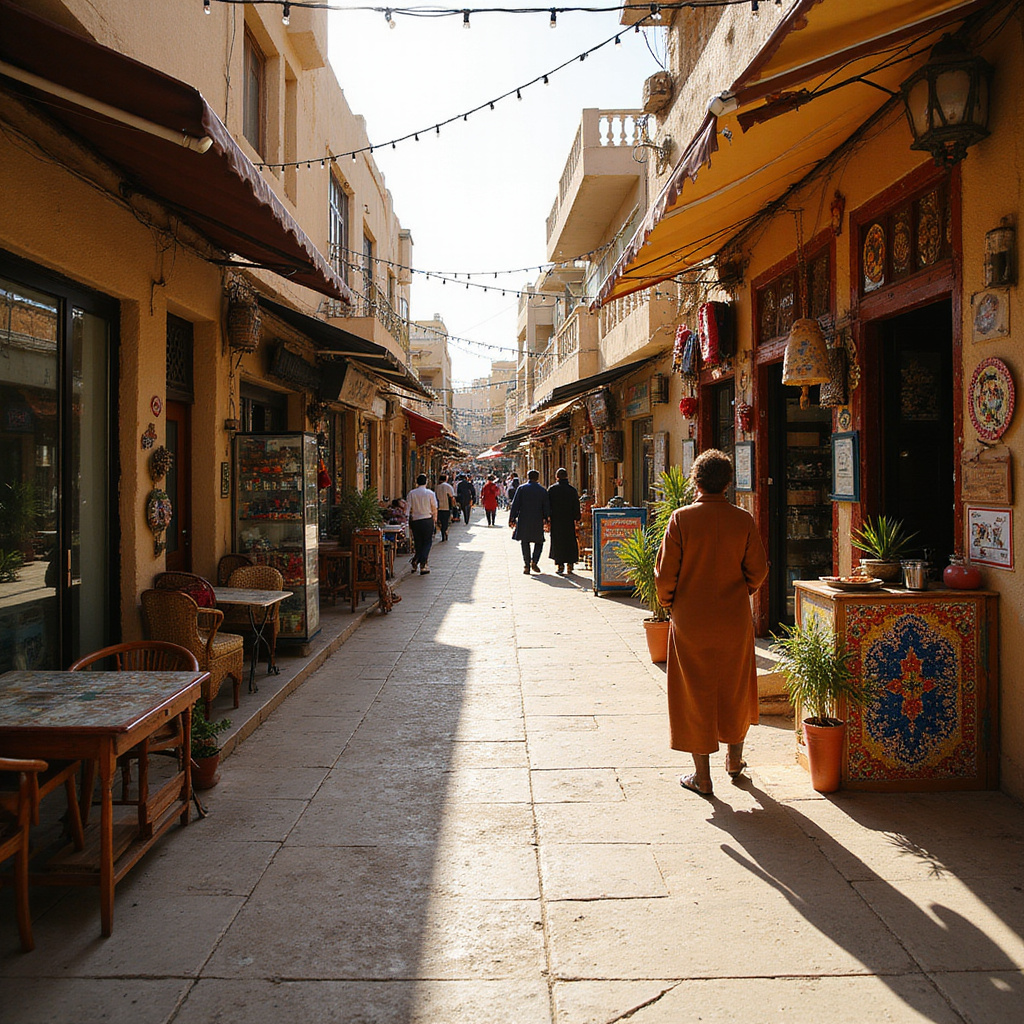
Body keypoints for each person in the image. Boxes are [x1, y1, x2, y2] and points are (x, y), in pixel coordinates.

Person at [654, 449, 769, 797]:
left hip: (691, 619)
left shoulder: (681, 519)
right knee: (735, 686)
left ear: (695, 481)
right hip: (733, 618)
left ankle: (701, 776)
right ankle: (735, 761)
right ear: (729, 483)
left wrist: (672, 604)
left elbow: (664, 578)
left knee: (694, 691)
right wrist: (739, 592)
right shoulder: (743, 520)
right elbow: (759, 571)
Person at [509, 468, 550, 574]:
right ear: (538, 478)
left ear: (528, 477)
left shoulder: (522, 489)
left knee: (525, 541)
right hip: (537, 519)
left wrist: (512, 518)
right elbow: (546, 506)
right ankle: (534, 561)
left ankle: (526, 565)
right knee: (539, 541)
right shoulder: (542, 490)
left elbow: (515, 504)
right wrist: (546, 518)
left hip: (524, 519)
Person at [547, 467, 581, 574]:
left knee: (558, 541)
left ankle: (560, 565)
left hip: (556, 520)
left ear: (557, 477)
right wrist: (577, 518)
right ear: (567, 476)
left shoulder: (552, 490)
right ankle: (570, 564)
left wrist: (547, 517)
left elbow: (548, 505)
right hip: (569, 520)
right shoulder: (572, 490)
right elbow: (576, 505)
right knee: (570, 540)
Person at [404, 473, 438, 575]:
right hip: (427, 519)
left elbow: (407, 508)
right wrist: (435, 519)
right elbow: (434, 507)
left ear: (416, 482)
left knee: (418, 542)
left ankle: (416, 559)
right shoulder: (430, 493)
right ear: (426, 482)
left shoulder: (411, 493)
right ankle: (423, 563)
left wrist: (406, 521)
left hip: (416, 521)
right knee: (427, 542)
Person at [436, 473, 456, 541]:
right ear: (446, 479)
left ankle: (443, 533)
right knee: (445, 522)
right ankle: (444, 532)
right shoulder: (448, 486)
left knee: (440, 521)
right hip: (446, 507)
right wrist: (454, 505)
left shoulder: (437, 487)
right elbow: (452, 497)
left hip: (439, 507)